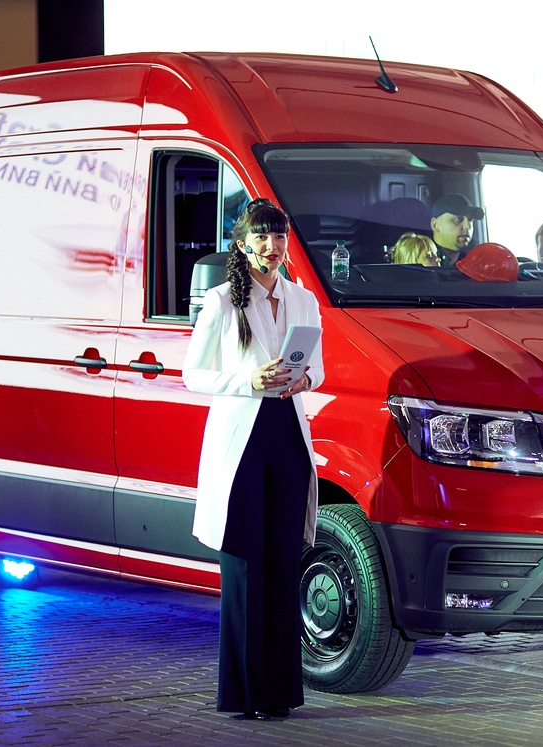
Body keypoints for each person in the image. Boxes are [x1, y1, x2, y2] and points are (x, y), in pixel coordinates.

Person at [183, 198, 324, 721]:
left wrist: (305, 379)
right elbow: (192, 375)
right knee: (245, 565)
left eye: (279, 236)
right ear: (243, 245)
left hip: (287, 434)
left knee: (283, 563)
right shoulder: (221, 301)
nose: (273, 245)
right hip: (241, 441)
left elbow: (319, 368)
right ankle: (244, 695)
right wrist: (248, 379)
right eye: (262, 237)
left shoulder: (303, 299)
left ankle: (278, 693)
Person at [430, 193, 484, 266]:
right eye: (457, 219)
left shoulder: (478, 259)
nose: (468, 226)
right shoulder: (418, 256)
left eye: (470, 220)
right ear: (435, 225)